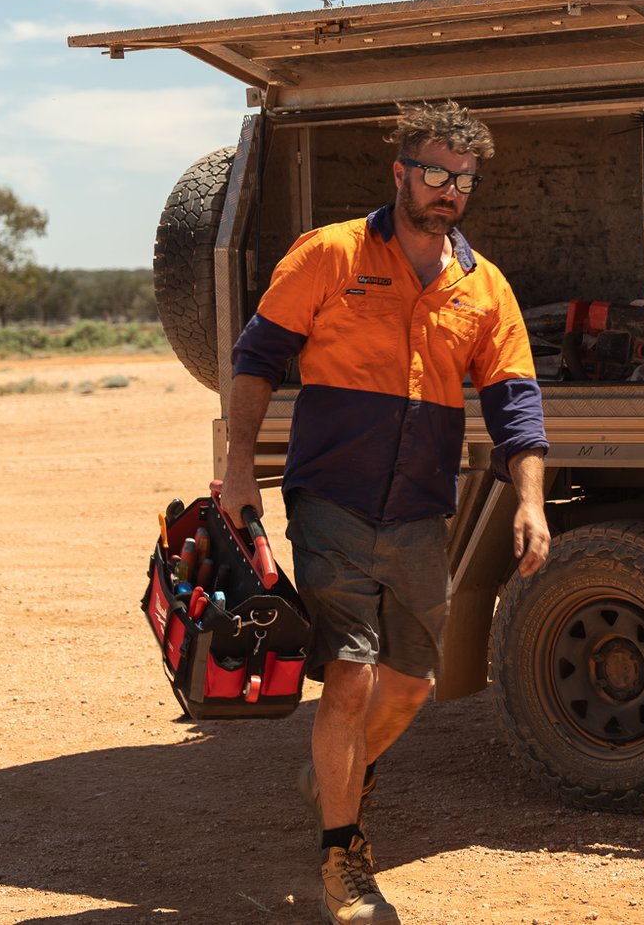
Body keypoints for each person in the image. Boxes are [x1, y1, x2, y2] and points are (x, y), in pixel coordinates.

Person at [217, 100, 549, 925]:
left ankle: (337, 772)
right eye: (434, 172)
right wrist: (235, 468)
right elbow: (257, 356)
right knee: (352, 677)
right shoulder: (331, 254)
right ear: (399, 173)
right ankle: (343, 861)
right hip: (331, 496)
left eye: (462, 179)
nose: (448, 190)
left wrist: (531, 499)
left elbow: (514, 402)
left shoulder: (483, 285)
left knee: (408, 687)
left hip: (418, 512)